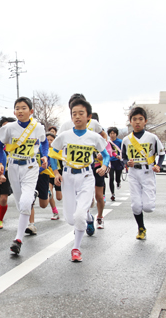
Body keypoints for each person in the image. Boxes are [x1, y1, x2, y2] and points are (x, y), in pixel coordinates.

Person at [50, 98, 109, 262]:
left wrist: (104, 166)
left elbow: (105, 155)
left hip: (86, 176)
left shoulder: (94, 137)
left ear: (88, 116)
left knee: (79, 216)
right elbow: (53, 154)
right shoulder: (64, 136)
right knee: (71, 219)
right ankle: (89, 217)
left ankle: (76, 248)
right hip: (68, 177)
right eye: (73, 114)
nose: (77, 117)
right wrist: (56, 173)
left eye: (81, 113)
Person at [0, 97, 48, 255]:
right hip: (13, 167)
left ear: (31, 111)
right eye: (17, 108)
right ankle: (30, 194)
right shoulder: (9, 128)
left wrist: (45, 156)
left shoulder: (37, 127)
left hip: (31, 166)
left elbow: (44, 142)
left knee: (26, 203)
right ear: (14, 111)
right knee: (20, 204)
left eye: (23, 108)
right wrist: (0, 163)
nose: (20, 110)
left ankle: (18, 239)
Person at [121, 106, 165, 240]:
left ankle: (150, 200)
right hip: (134, 173)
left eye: (140, 119)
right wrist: (127, 163)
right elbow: (123, 157)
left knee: (148, 207)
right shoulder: (126, 140)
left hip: (147, 172)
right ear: (130, 121)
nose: (137, 122)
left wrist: (158, 165)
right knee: (135, 205)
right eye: (134, 119)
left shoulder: (152, 137)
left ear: (145, 121)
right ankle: (141, 228)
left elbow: (161, 154)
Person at [26, 132, 60, 235]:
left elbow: (47, 163)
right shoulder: (26, 147)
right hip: (30, 176)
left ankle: (48, 194)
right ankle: (31, 224)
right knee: (29, 200)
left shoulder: (43, 148)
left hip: (43, 175)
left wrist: (38, 170)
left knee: (43, 205)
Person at [0, 117, 15, 230]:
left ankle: (0, 219)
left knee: (3, 198)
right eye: (4, 126)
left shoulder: (16, 141)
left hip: (7, 172)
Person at [107, 127, 123, 202]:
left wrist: (121, 156)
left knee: (117, 178)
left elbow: (123, 151)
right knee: (111, 178)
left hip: (118, 161)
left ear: (116, 134)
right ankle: (112, 194)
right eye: (111, 133)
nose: (112, 135)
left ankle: (118, 182)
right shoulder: (108, 142)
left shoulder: (120, 142)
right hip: (111, 162)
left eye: (114, 133)